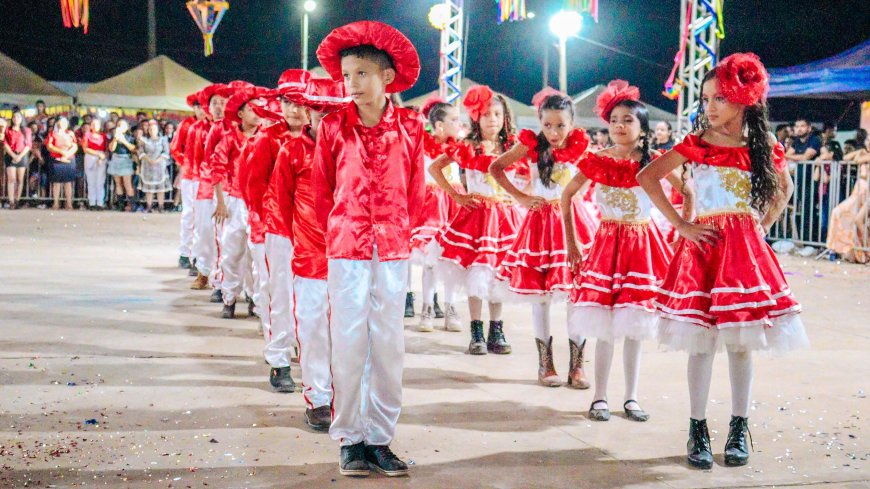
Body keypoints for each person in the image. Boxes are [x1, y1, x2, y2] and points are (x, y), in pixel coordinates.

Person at [637, 53, 809, 470]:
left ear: (744, 99)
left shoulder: (762, 145)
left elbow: (784, 188)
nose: (710, 107)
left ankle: (738, 426)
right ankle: (697, 428)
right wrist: (682, 224)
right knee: (701, 344)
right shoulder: (698, 143)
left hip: (743, 252)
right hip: (704, 247)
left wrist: (760, 225)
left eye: (720, 97)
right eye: (706, 98)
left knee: (741, 344)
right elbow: (648, 175)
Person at [314, 20, 424, 477]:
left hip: (394, 248)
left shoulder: (412, 126)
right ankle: (349, 438)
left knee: (389, 343)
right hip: (347, 248)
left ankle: (380, 438)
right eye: (346, 76)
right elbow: (323, 190)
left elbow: (417, 190)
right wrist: (340, 233)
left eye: (361, 73)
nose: (352, 84)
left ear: (387, 77)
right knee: (348, 341)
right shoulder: (333, 126)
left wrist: (399, 232)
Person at [564, 81, 686, 424]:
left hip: (642, 247)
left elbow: (686, 191)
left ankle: (631, 397)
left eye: (628, 120)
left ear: (642, 127)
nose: (619, 125)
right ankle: (599, 397)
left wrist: (682, 231)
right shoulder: (597, 160)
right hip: (606, 245)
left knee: (635, 327)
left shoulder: (655, 162)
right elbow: (567, 195)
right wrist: (572, 243)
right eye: (614, 119)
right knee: (605, 327)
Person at [490, 88, 595, 389]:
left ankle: (577, 365)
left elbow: (592, 177)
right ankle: (545, 363)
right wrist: (522, 197)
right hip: (540, 224)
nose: (554, 131)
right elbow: (495, 168)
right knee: (541, 295)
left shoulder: (582, 146)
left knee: (576, 291)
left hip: (574, 223)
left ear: (572, 123)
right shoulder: (531, 145)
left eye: (561, 125)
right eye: (547, 125)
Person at [269, 76, 350, 432]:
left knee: (349, 332)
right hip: (310, 259)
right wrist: (292, 246)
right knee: (315, 329)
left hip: (351, 258)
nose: (320, 119)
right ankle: (319, 398)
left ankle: (346, 396)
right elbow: (280, 201)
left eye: (330, 113)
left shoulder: (354, 150)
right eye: (317, 112)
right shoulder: (292, 150)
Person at [431, 85, 526, 356]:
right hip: (477, 217)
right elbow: (435, 167)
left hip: (505, 218)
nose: (492, 119)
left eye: (497, 114)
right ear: (476, 117)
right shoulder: (468, 146)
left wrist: (521, 197)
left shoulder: (512, 148)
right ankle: (476, 331)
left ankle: (496, 328)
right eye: (486, 115)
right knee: (476, 273)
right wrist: (456, 196)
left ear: (505, 117)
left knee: (498, 275)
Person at [244, 69, 311, 392]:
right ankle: (279, 360)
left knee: (311, 299)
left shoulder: (321, 138)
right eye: (288, 103)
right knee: (280, 294)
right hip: (281, 230)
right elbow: (253, 186)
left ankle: (306, 354)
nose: (295, 110)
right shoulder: (268, 138)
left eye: (301, 103)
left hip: (316, 234)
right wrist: (268, 220)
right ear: (280, 105)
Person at [211, 85, 267, 319]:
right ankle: (229, 297)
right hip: (234, 202)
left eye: (259, 109)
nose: (257, 113)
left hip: (260, 205)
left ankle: (255, 298)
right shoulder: (229, 139)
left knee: (258, 255)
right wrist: (221, 203)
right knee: (232, 253)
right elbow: (217, 169)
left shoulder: (267, 137)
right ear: (241, 114)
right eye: (252, 109)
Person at [409, 97, 464, 332]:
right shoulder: (421, 145)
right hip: (430, 207)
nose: (458, 124)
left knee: (450, 261)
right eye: (454, 120)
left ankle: (451, 306)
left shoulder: (460, 148)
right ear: (439, 125)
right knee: (430, 262)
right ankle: (427, 308)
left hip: (453, 205)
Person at [171, 92, 206, 269]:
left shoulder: (212, 125)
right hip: (191, 176)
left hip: (207, 178)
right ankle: (185, 252)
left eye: (203, 106)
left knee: (204, 219)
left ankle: (199, 255)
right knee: (189, 215)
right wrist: (186, 162)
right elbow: (175, 148)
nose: (201, 110)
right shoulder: (186, 125)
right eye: (198, 106)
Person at [828, 145, 870, 263]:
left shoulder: (866, 157)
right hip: (858, 189)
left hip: (865, 191)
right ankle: (845, 249)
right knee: (843, 216)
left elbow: (857, 160)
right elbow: (846, 158)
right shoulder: (864, 154)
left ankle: (865, 252)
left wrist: (861, 155)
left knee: (856, 219)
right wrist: (859, 150)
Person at [786, 118, 822, 243]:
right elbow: (786, 155)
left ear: (809, 128)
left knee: (810, 212)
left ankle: (811, 241)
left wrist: (792, 157)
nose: (799, 129)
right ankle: (802, 240)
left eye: (802, 126)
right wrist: (795, 157)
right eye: (797, 126)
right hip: (799, 182)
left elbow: (806, 157)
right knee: (798, 211)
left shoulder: (814, 140)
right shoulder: (796, 142)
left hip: (812, 183)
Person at [137, 119, 172, 212]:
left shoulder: (163, 140)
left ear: (158, 130)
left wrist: (157, 160)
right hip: (147, 168)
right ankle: (149, 206)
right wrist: (149, 160)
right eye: (151, 129)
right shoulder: (144, 140)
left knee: (161, 189)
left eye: (154, 129)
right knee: (149, 189)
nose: (153, 131)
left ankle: (161, 206)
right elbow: (140, 152)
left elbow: (166, 152)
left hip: (160, 168)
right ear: (148, 131)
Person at [45, 116, 78, 210]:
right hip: (56, 160)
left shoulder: (70, 133)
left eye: (65, 122)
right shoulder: (52, 134)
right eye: (61, 122)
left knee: (68, 183)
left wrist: (66, 155)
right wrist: (61, 152)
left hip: (68, 159)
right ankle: (56, 203)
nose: (63, 124)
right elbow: (49, 146)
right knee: (57, 183)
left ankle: (69, 203)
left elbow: (75, 146)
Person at [3, 110, 32, 209]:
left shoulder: (26, 130)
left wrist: (19, 156)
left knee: (20, 179)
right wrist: (13, 155)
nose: (16, 119)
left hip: (22, 155)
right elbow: (5, 144)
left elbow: (28, 145)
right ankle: (11, 201)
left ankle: (17, 199)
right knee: (11, 179)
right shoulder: (7, 130)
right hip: (10, 155)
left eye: (18, 117)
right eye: (14, 117)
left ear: (22, 119)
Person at [108, 120, 137, 212]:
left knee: (127, 183)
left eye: (122, 125)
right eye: (119, 125)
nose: (120, 127)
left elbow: (133, 149)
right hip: (116, 159)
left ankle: (132, 205)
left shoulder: (130, 138)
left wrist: (123, 141)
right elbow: (111, 149)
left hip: (126, 160)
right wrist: (115, 139)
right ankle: (120, 205)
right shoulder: (114, 137)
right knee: (118, 183)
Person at [81, 119, 108, 209]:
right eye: (93, 124)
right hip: (90, 156)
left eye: (97, 124)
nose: (95, 126)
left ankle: (100, 202)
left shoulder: (103, 136)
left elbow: (106, 149)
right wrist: (97, 154)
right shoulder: (87, 135)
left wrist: (102, 156)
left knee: (100, 180)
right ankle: (92, 202)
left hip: (101, 157)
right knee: (91, 180)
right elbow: (85, 148)